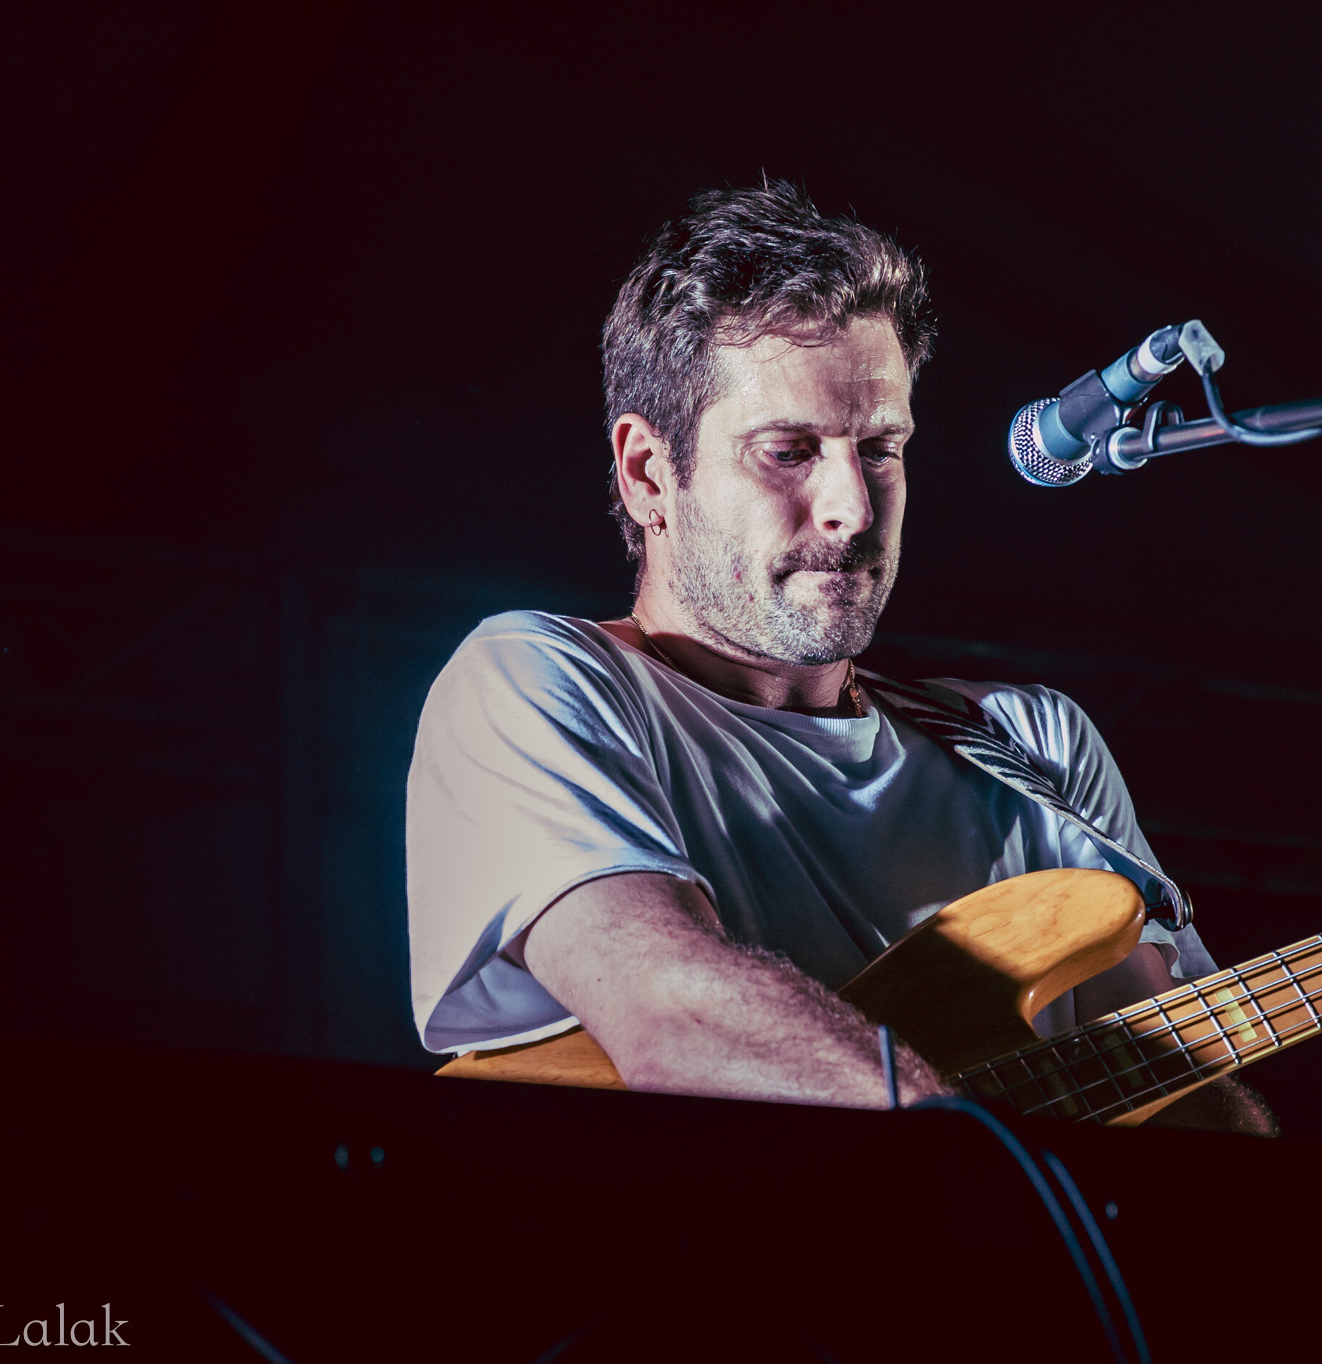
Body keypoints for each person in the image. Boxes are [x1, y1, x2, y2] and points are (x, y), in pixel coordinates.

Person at [407, 181, 1271, 1131]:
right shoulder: (539, 679)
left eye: (881, 449)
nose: (853, 508)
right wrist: (982, 1161)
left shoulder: (1037, 745)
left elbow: (1168, 1099)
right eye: (788, 451)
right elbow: (673, 1014)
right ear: (649, 473)